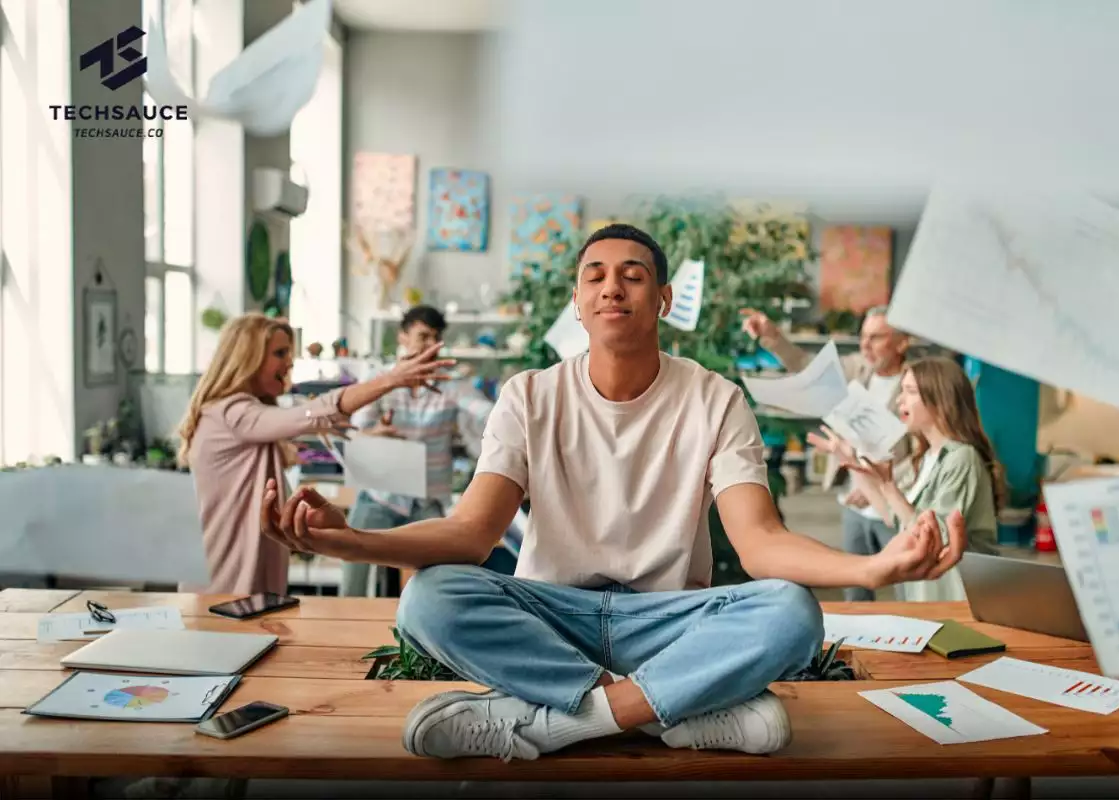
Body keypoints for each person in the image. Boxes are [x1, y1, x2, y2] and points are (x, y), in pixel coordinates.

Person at [259, 223, 967, 762]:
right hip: (553, 613)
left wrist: (874, 570)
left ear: (661, 299)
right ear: (578, 299)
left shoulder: (715, 399)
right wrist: (349, 537)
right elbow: (471, 536)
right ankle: (675, 712)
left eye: (631, 276)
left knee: (789, 611)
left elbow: (760, 546)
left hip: (668, 619)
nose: (611, 287)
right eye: (594, 275)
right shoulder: (529, 396)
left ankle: (557, 721)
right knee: (429, 598)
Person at [177, 313, 454, 596]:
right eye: (280, 353)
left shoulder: (241, 414)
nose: (290, 362)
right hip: (221, 575)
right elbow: (306, 414)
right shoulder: (229, 411)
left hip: (242, 570)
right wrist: (391, 380)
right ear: (248, 357)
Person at [739, 305, 913, 601]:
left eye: (876, 337)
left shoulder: (917, 383)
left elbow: (919, 451)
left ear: (902, 342)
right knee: (855, 590)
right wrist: (773, 337)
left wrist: (882, 486)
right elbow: (808, 365)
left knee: (910, 590)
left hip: (895, 504)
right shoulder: (857, 368)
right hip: (852, 503)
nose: (865, 345)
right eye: (862, 337)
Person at [807, 356, 1004, 602]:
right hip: (928, 598)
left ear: (939, 399)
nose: (900, 399)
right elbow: (891, 515)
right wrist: (852, 463)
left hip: (957, 600)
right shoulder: (924, 458)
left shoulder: (961, 458)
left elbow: (937, 539)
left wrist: (890, 488)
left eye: (910, 391)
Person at [342, 305, 497, 596]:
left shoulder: (451, 385)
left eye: (436, 338)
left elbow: (485, 412)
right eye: (423, 336)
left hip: (427, 498)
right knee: (351, 571)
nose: (431, 345)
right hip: (380, 494)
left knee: (436, 585)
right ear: (402, 337)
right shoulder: (380, 381)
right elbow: (355, 427)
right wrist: (374, 433)